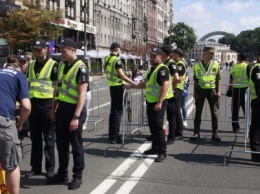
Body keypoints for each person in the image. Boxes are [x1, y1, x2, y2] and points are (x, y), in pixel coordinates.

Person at [48, 38, 88, 190]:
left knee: (76, 145)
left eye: (64, 50)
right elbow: (56, 90)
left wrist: (76, 117)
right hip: (62, 109)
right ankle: (62, 173)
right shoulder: (61, 65)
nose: (61, 53)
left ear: (73, 50)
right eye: (60, 50)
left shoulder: (81, 67)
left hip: (74, 110)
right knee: (62, 145)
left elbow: (82, 95)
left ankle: (77, 176)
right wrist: (53, 111)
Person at [125, 47, 173, 162]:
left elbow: (165, 86)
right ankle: (155, 148)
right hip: (151, 101)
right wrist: (131, 86)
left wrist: (160, 102)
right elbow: (145, 84)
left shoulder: (163, 69)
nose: (151, 58)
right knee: (152, 126)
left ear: (160, 58)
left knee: (157, 127)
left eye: (154, 56)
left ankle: (162, 151)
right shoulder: (153, 69)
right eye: (151, 56)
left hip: (158, 102)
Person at [25, 38, 57, 179]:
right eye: (35, 49)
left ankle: (50, 169)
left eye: (39, 49)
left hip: (47, 104)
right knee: (35, 139)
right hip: (33, 105)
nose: (37, 52)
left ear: (46, 49)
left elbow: (57, 87)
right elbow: (28, 84)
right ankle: (35, 167)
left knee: (49, 138)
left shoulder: (53, 65)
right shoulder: (31, 65)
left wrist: (55, 107)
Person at [0, 62, 31, 194]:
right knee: (11, 163)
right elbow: (26, 106)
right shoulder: (19, 75)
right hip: (3, 120)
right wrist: (21, 124)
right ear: (20, 68)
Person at [104, 42, 136, 144]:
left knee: (113, 111)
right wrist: (133, 83)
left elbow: (114, 73)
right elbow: (121, 75)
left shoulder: (107, 58)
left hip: (112, 86)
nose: (120, 52)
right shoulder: (116, 60)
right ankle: (115, 136)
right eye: (120, 50)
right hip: (119, 87)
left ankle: (111, 135)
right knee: (118, 112)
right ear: (117, 49)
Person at [191, 47, 221, 141]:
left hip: (212, 90)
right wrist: (195, 92)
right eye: (211, 53)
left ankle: (215, 133)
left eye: (213, 54)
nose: (212, 55)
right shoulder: (197, 65)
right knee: (198, 112)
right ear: (205, 53)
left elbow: (218, 79)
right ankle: (196, 133)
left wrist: (218, 91)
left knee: (214, 113)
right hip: (200, 90)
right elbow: (195, 80)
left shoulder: (216, 65)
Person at [226, 53, 250, 133]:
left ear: (239, 59)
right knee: (246, 109)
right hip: (245, 89)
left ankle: (235, 127)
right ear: (246, 59)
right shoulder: (247, 66)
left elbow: (231, 79)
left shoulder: (234, 67)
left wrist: (229, 90)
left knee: (235, 110)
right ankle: (249, 127)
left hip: (235, 89)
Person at [160, 46, 179, 145]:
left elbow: (176, 78)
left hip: (170, 94)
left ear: (165, 53)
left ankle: (171, 137)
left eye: (161, 52)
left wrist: (172, 88)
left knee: (171, 116)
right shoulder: (163, 63)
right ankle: (158, 134)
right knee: (160, 115)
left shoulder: (171, 63)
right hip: (165, 94)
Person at [171, 48, 186, 140]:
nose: (172, 55)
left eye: (173, 53)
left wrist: (172, 87)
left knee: (177, 111)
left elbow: (179, 78)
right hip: (176, 88)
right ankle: (176, 131)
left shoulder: (180, 64)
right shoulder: (177, 63)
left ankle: (179, 132)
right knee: (175, 111)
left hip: (177, 89)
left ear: (177, 55)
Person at [249, 50, 260, 162]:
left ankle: (256, 153)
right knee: (257, 128)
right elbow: (259, 86)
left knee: (256, 127)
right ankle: (256, 153)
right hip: (258, 100)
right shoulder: (258, 68)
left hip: (256, 100)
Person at [83, 61, 92, 130]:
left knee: (85, 108)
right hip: (77, 92)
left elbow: (90, 79)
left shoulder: (87, 71)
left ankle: (84, 123)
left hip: (86, 92)